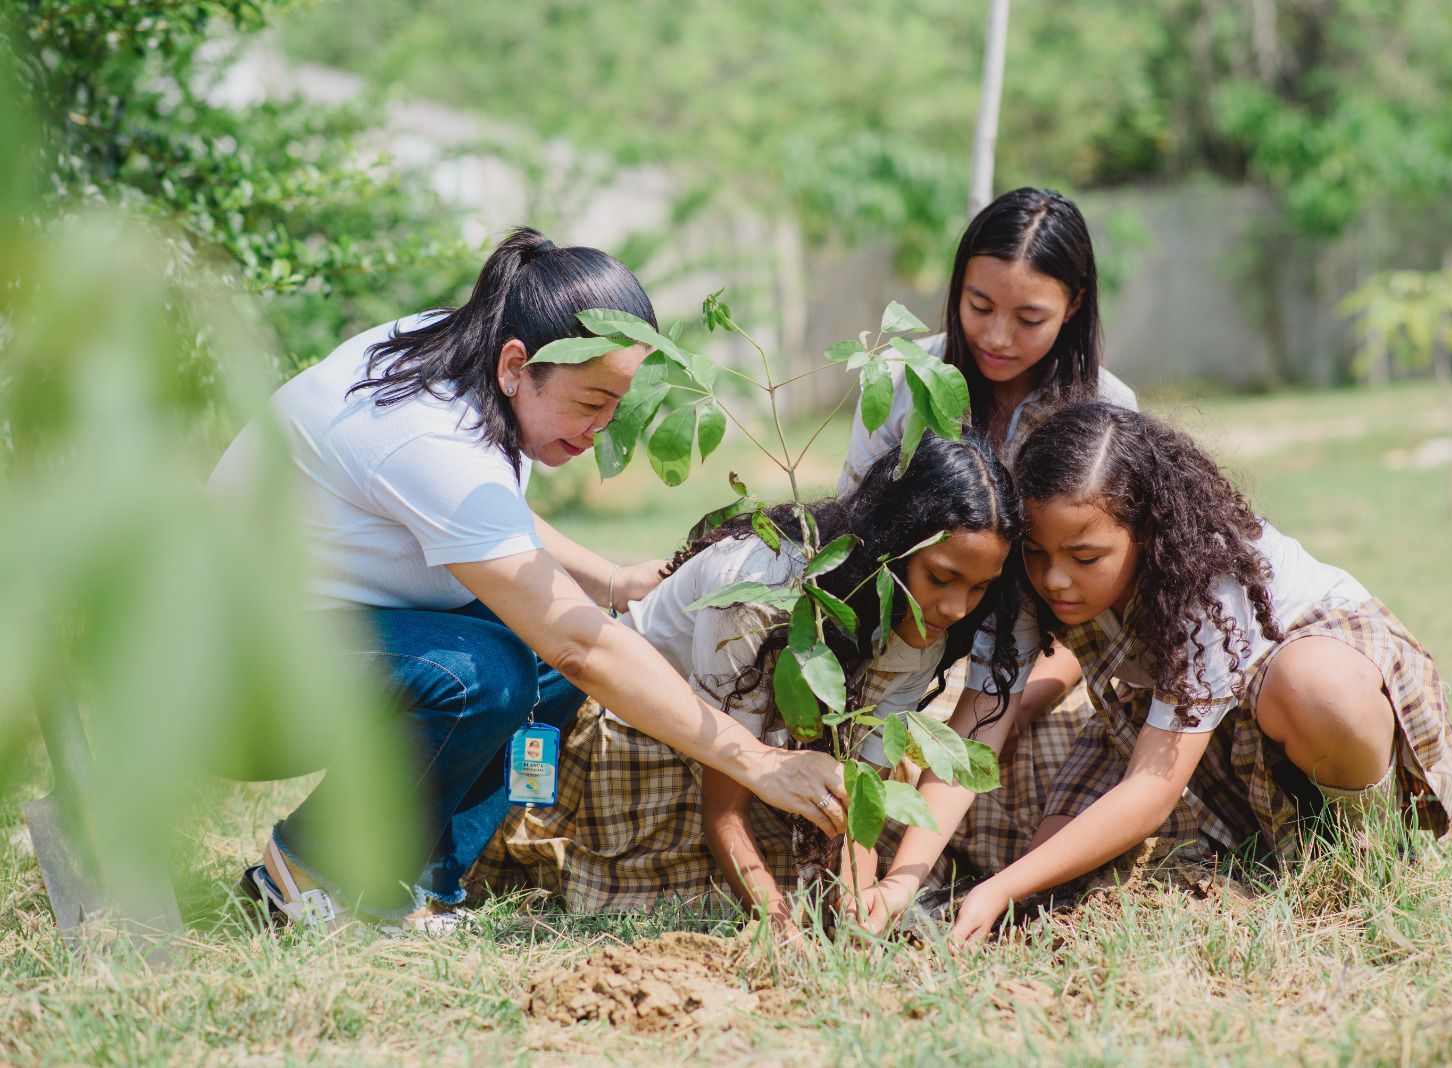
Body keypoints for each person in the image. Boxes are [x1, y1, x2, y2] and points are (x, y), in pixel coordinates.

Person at [208, 228, 847, 929]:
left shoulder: (471, 350)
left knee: (541, 658)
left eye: (617, 405)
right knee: (486, 672)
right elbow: (579, 641)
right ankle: (309, 868)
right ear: (518, 365)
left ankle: (418, 888)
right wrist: (756, 759)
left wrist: (613, 580)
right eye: (590, 402)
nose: (602, 428)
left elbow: (485, 517)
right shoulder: (428, 433)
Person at [864, 403, 1452, 942]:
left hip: (1303, 691)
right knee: (1053, 871)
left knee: (1315, 687)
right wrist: (901, 883)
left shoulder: (1207, 580)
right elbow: (977, 737)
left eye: (1085, 558)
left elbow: (1153, 790)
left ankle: (1367, 853)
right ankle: (1256, 849)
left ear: (1147, 533)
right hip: (1169, 721)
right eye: (1037, 553)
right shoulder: (1027, 580)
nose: (1054, 578)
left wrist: (997, 888)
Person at [470, 433, 1024, 937]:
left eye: (979, 588)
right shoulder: (762, 588)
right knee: (692, 896)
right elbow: (724, 809)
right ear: (888, 544)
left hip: (770, 754)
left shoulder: (922, 623)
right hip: (660, 739)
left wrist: (858, 893)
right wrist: (777, 922)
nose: (955, 607)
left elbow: (861, 791)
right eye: (941, 578)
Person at [840, 187, 1139, 734]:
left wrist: (1021, 700)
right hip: (906, 642)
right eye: (979, 307)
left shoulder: (1108, 410)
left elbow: (1099, 589)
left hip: (1043, 656)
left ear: (1073, 305)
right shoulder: (901, 379)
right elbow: (854, 532)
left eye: (1029, 318)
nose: (997, 337)